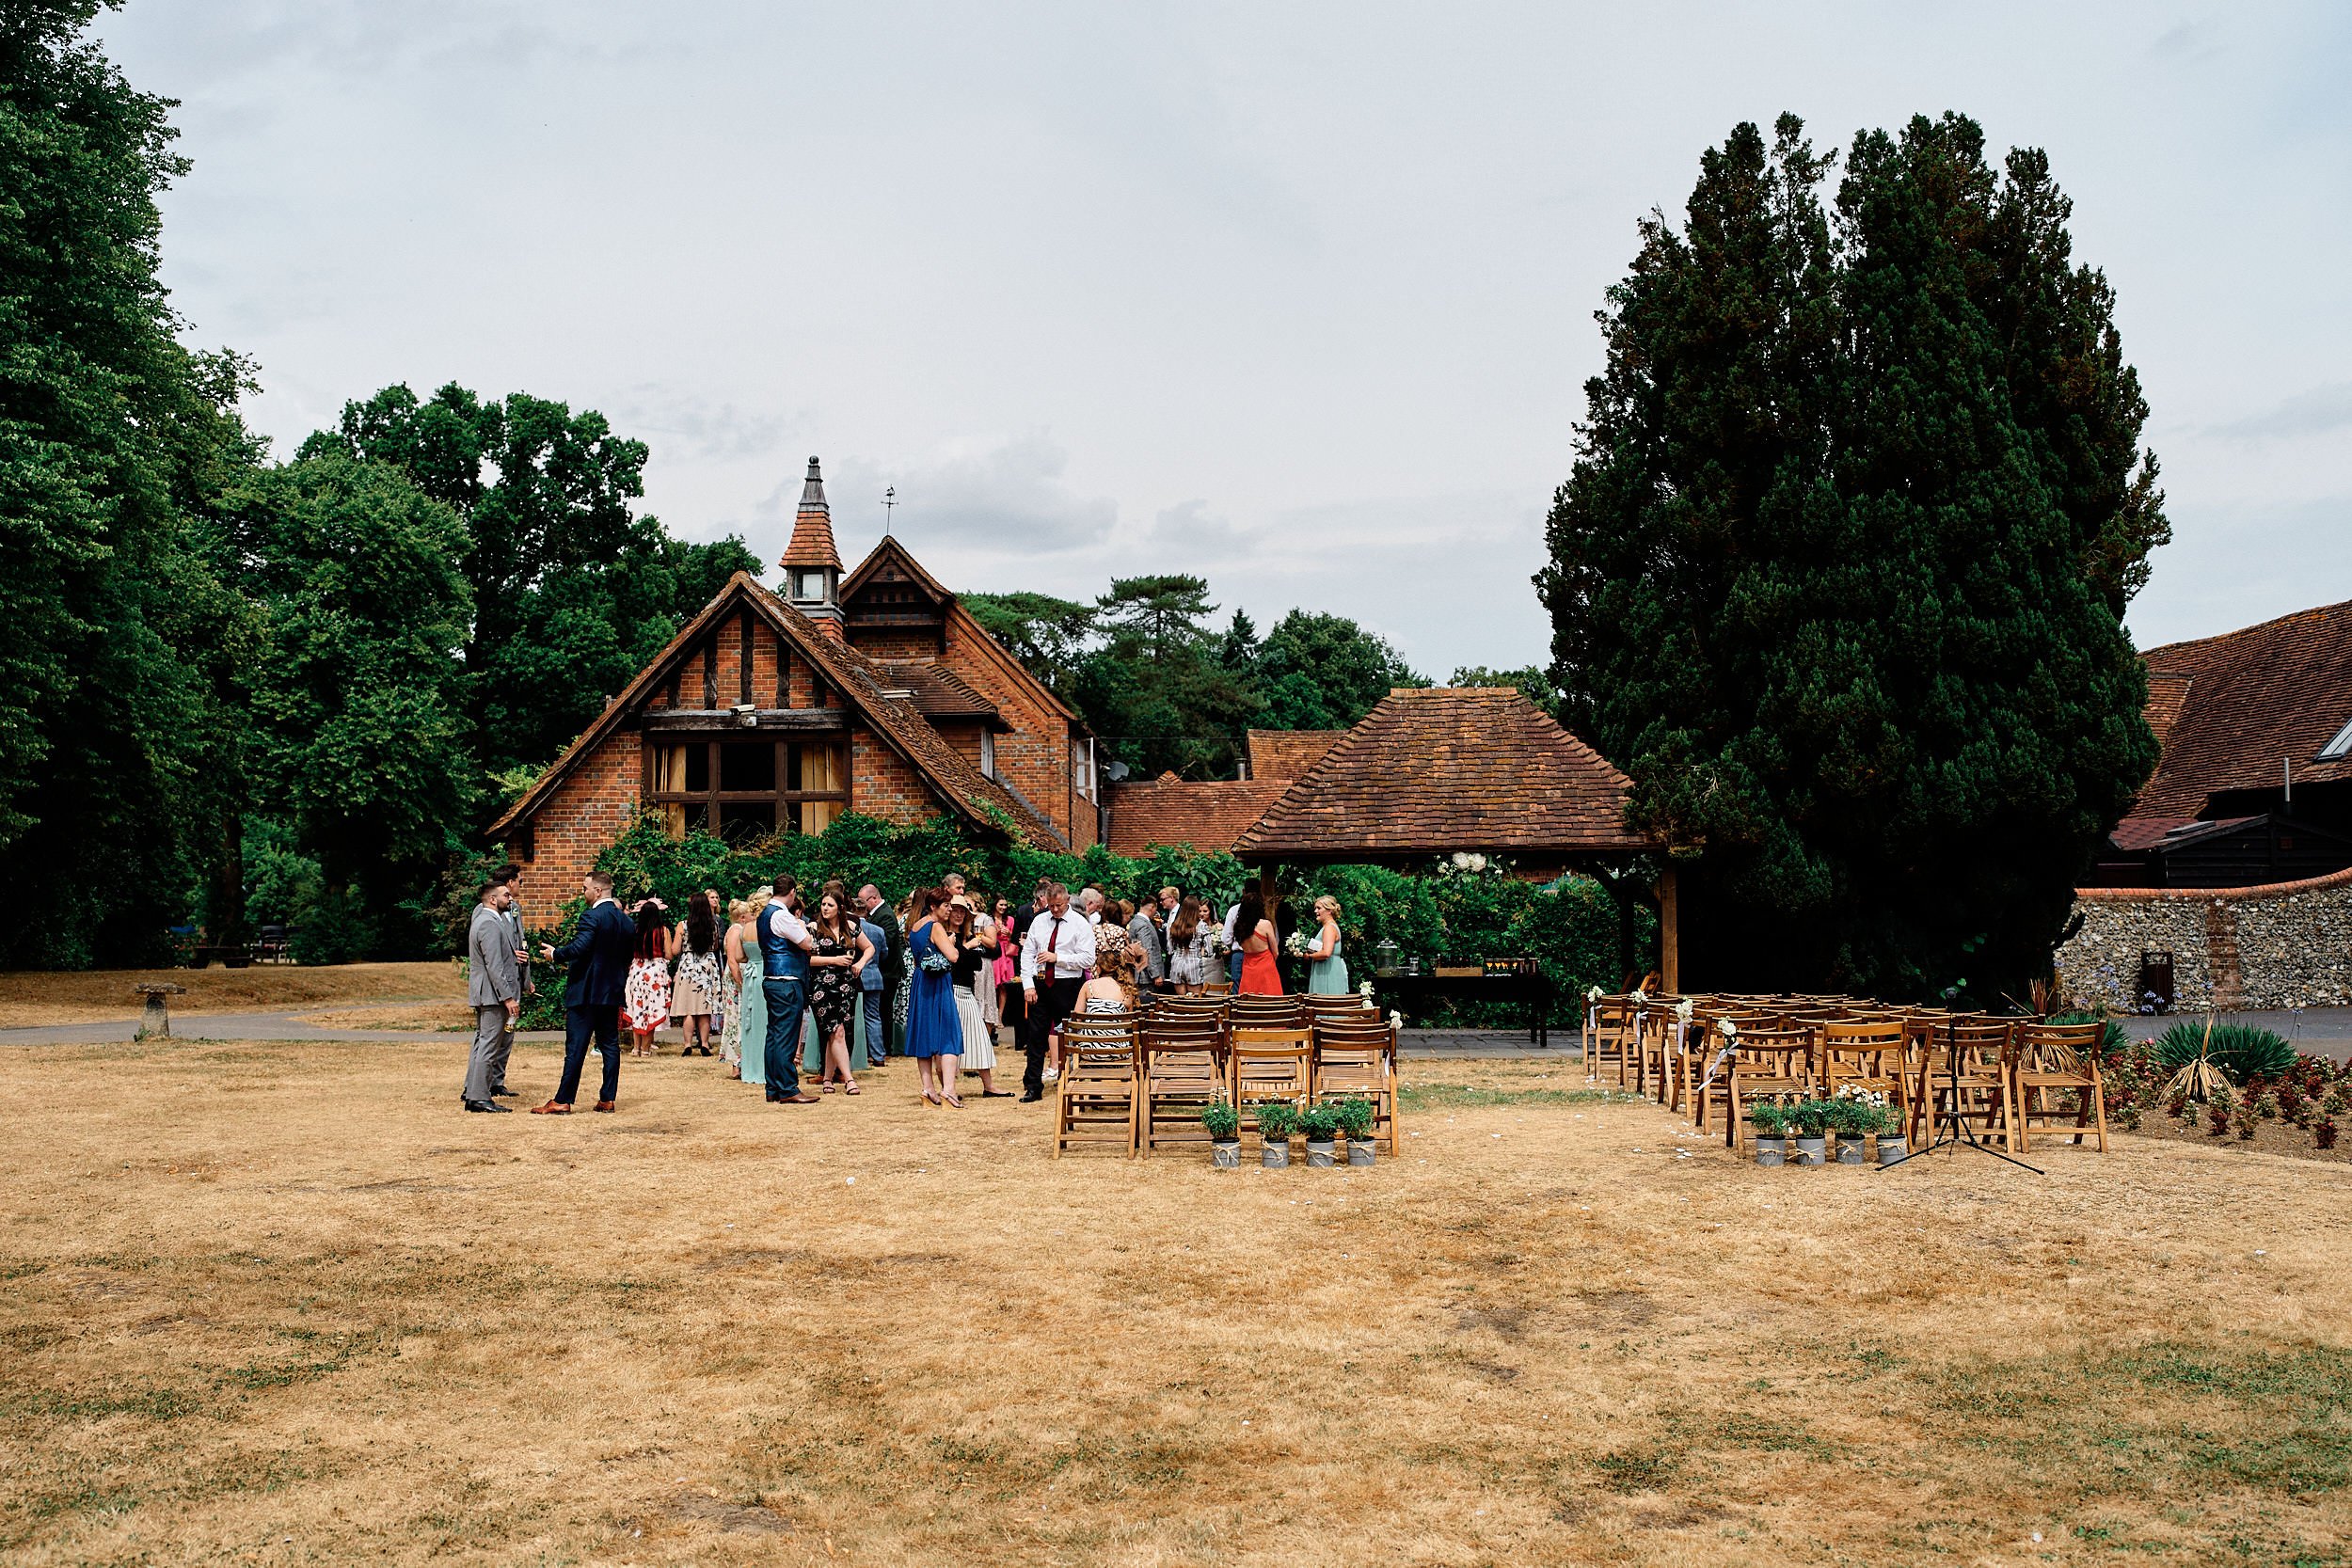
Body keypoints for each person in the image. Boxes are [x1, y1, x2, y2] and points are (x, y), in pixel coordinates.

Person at [534, 870, 638, 1113]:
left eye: (585, 888)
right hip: (610, 992)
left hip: (586, 992)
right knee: (610, 1046)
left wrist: (555, 954)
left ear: (598, 890)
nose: (583, 892)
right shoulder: (626, 922)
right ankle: (607, 1098)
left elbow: (581, 946)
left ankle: (562, 1100)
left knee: (576, 1048)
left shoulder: (592, 916)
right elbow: (626, 958)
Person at [1019, 881, 1093, 1102]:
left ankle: (1076, 1080)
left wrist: (1058, 958)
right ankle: (1032, 1085)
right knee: (1035, 1037)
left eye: (1058, 905)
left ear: (1067, 901)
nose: (1054, 910)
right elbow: (1027, 953)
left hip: (1068, 986)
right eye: (1050, 906)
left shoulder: (1080, 924)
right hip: (1041, 984)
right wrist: (1027, 985)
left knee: (1073, 1035)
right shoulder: (1039, 921)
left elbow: (1088, 958)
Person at [756, 877, 820, 1104]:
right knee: (786, 1036)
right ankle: (787, 1088)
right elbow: (807, 943)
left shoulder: (764, 914)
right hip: (787, 981)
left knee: (774, 1035)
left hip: (772, 978)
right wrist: (806, 928)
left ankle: (773, 1086)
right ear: (792, 892)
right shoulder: (782, 915)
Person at [802, 891, 872, 1093]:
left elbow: (869, 948)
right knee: (835, 1031)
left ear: (840, 908)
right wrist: (834, 960)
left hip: (846, 986)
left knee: (837, 1033)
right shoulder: (813, 929)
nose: (824, 908)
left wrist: (860, 963)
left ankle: (827, 1079)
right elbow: (807, 959)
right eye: (823, 904)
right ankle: (849, 1079)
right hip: (821, 987)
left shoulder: (850, 927)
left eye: (829, 905)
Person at [462, 879, 522, 1112]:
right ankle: (478, 1097)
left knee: (483, 1043)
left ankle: (475, 1092)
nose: (510, 899)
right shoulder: (488, 923)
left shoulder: (489, 921)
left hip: (488, 994)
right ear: (492, 899)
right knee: (488, 1045)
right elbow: (494, 966)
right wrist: (507, 998)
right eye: (506, 895)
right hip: (491, 995)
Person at [905, 887, 965, 1108]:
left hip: (921, 983)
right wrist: (950, 941)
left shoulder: (915, 926)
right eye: (946, 905)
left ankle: (928, 1088)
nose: (950, 910)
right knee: (949, 1034)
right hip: (938, 983)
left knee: (924, 1034)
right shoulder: (935, 926)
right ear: (933, 907)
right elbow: (953, 956)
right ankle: (948, 1089)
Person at [944, 895, 1009, 1097]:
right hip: (950, 990)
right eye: (956, 910)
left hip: (966, 990)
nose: (959, 914)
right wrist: (967, 950)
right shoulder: (943, 934)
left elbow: (977, 964)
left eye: (963, 911)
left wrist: (965, 950)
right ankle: (948, 1087)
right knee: (949, 1041)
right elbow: (952, 961)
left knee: (979, 1036)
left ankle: (988, 1086)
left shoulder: (969, 935)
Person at [485, 864, 532, 1098]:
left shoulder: (515, 908)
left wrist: (527, 978)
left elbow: (521, 941)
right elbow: (491, 950)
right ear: (511, 883)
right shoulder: (486, 912)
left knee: (508, 1034)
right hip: (498, 984)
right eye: (520, 881)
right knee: (493, 1037)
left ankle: (498, 1081)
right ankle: (483, 1083)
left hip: (515, 979)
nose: (521, 886)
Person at [856, 883, 905, 1062]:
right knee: (877, 1013)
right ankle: (878, 1051)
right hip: (879, 972)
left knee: (882, 1013)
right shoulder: (877, 916)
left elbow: (888, 946)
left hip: (887, 972)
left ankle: (884, 1048)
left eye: (863, 901)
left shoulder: (885, 915)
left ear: (873, 898)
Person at [621, 900, 676, 1056]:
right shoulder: (663, 931)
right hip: (655, 973)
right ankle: (646, 1049)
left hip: (636, 971)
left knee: (637, 1009)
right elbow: (669, 955)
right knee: (651, 1010)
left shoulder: (635, 930)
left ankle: (636, 1048)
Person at [672, 894, 723, 1056]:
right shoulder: (713, 925)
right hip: (707, 965)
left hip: (688, 966)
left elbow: (674, 950)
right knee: (705, 1008)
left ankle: (687, 1044)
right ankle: (705, 1044)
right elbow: (715, 947)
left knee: (689, 1009)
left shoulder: (683, 925)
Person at [733, 889, 772, 1089]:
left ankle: (750, 1068)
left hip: (750, 976)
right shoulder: (768, 926)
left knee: (750, 1022)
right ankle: (766, 1069)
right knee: (767, 1023)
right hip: (766, 972)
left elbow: (739, 956)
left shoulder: (744, 928)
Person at [719, 896, 756, 1079]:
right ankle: (736, 1063)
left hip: (738, 978)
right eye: (751, 914)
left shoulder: (739, 929)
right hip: (736, 980)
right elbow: (733, 961)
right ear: (742, 917)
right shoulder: (736, 930)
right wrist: (740, 981)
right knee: (736, 1020)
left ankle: (742, 1062)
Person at [854, 897, 889, 1071]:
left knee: (854, 1018)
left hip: (855, 975)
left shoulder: (850, 928)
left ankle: (856, 1055)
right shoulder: (878, 930)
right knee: (873, 1017)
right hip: (874, 976)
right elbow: (884, 954)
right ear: (866, 912)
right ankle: (878, 1056)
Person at [1165, 895, 1216, 994]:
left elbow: (1170, 949)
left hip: (1177, 964)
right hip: (1194, 965)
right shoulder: (1201, 926)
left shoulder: (1175, 925)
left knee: (1181, 1001)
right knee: (1193, 1003)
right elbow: (1209, 951)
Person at [1234, 893, 1282, 996]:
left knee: (1249, 1000)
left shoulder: (1239, 926)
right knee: (1270, 1000)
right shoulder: (1265, 924)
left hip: (1248, 967)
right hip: (1266, 966)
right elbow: (1276, 952)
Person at [1305, 895, 1349, 994]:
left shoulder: (1329, 928)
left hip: (1327, 971)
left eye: (1319, 908)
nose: (1316, 911)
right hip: (1327, 969)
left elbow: (1326, 953)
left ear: (1329, 911)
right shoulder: (1329, 927)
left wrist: (1309, 956)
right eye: (1315, 908)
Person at [1223, 878, 1261, 989]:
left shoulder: (1234, 911)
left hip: (1239, 954)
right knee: (1257, 989)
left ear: (1244, 891)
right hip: (1260, 955)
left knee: (1238, 990)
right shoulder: (1264, 912)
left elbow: (1226, 939)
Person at [1127, 895, 1168, 992]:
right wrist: (1156, 975)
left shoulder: (1133, 922)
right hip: (1146, 977)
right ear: (1152, 907)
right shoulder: (1144, 925)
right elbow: (1147, 951)